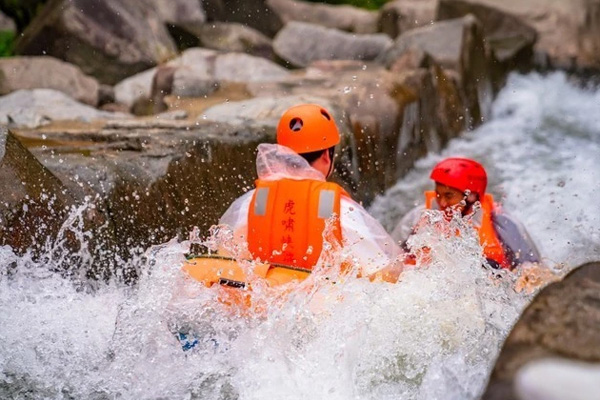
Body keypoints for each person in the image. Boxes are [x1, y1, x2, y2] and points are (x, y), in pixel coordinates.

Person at [218, 103, 402, 281]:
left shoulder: (252, 202)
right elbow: (385, 275)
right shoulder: (341, 212)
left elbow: (225, 263)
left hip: (263, 305)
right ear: (326, 156)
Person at [391, 157, 541, 270]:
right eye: (438, 194)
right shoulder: (417, 217)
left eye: (449, 196)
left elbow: (533, 269)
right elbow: (390, 257)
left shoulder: (502, 222)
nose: (442, 203)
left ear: (471, 196)